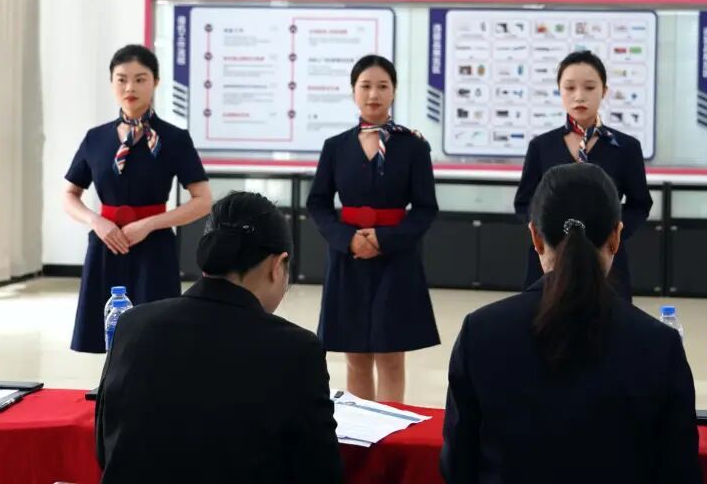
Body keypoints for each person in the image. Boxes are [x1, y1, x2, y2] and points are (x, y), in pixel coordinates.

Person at [442, 163, 702, 484]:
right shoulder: (659, 344)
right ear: (616, 237)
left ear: (535, 237)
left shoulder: (481, 333)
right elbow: (680, 471)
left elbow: (457, 465)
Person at [96, 191, 342, 483]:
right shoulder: (297, 350)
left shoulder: (130, 324)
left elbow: (105, 448)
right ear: (277, 266)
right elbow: (321, 471)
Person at [307, 54, 440, 403]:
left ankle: (390, 428)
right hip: (347, 259)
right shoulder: (335, 147)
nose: (373, 94)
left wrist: (384, 239)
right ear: (353, 90)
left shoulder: (414, 146)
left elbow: (425, 208)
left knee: (391, 356)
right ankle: (362, 428)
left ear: (394, 91)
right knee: (356, 357)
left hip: (397, 259)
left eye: (382, 86)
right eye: (365, 86)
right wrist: (347, 240)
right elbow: (318, 203)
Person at [64, 44, 212, 353]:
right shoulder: (96, 138)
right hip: (106, 245)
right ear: (111, 82)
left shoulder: (173, 139)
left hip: (154, 248)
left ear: (155, 82)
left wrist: (149, 225)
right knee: (104, 336)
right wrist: (97, 222)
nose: (130, 87)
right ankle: (112, 384)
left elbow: (202, 200)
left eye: (140, 79)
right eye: (121, 79)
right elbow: (70, 195)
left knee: (156, 337)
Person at [514, 50, 652, 301]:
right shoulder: (541, 146)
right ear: (559, 91)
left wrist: (611, 234)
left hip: (606, 259)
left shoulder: (626, 147)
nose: (579, 96)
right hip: (549, 259)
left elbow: (640, 203)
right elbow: (524, 202)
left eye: (589, 87)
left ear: (604, 91)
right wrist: (548, 234)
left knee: (609, 320)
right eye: (569, 88)